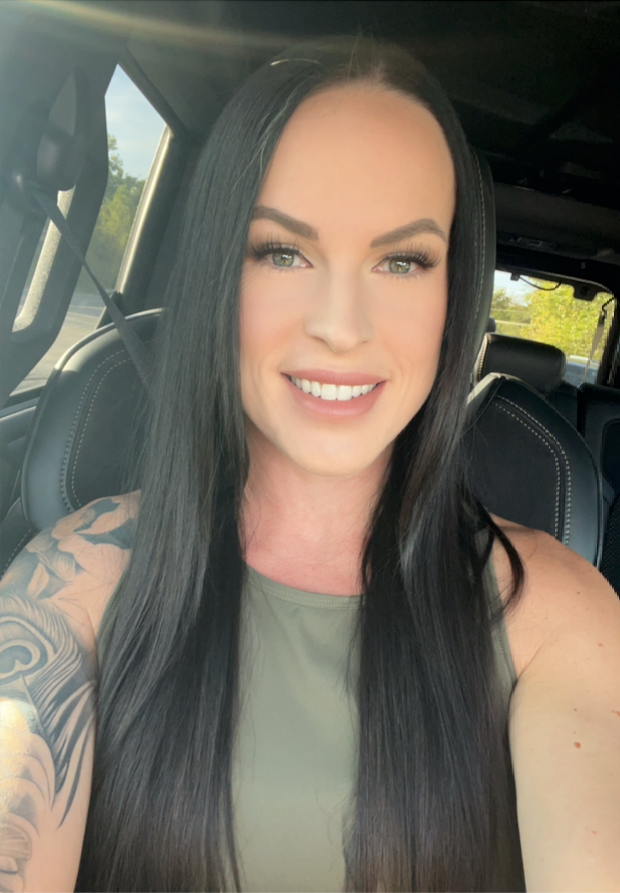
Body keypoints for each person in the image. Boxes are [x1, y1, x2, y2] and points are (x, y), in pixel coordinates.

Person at [1, 35, 619, 893]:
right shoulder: (69, 586)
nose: (340, 325)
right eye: (282, 251)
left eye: (402, 261)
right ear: (220, 274)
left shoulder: (560, 615)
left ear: (454, 300)